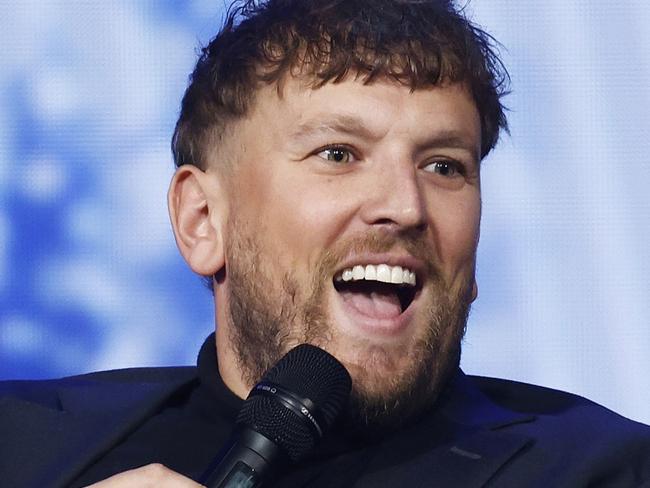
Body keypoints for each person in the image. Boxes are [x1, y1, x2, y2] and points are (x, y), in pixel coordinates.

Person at [1, 0, 649, 486]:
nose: (404, 206)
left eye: (444, 166)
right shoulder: (20, 444)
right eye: (338, 153)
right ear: (203, 220)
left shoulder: (603, 470)